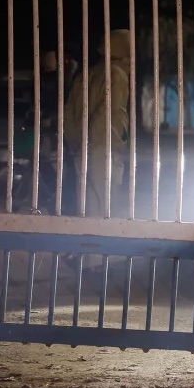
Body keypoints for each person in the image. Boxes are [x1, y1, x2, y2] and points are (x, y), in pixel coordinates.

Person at [64, 30, 132, 289]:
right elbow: (109, 113)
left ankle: (90, 263)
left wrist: (76, 141)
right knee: (106, 204)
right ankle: (103, 263)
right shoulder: (117, 75)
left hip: (82, 148)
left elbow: (69, 112)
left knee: (88, 202)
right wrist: (96, 142)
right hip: (104, 147)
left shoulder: (86, 74)